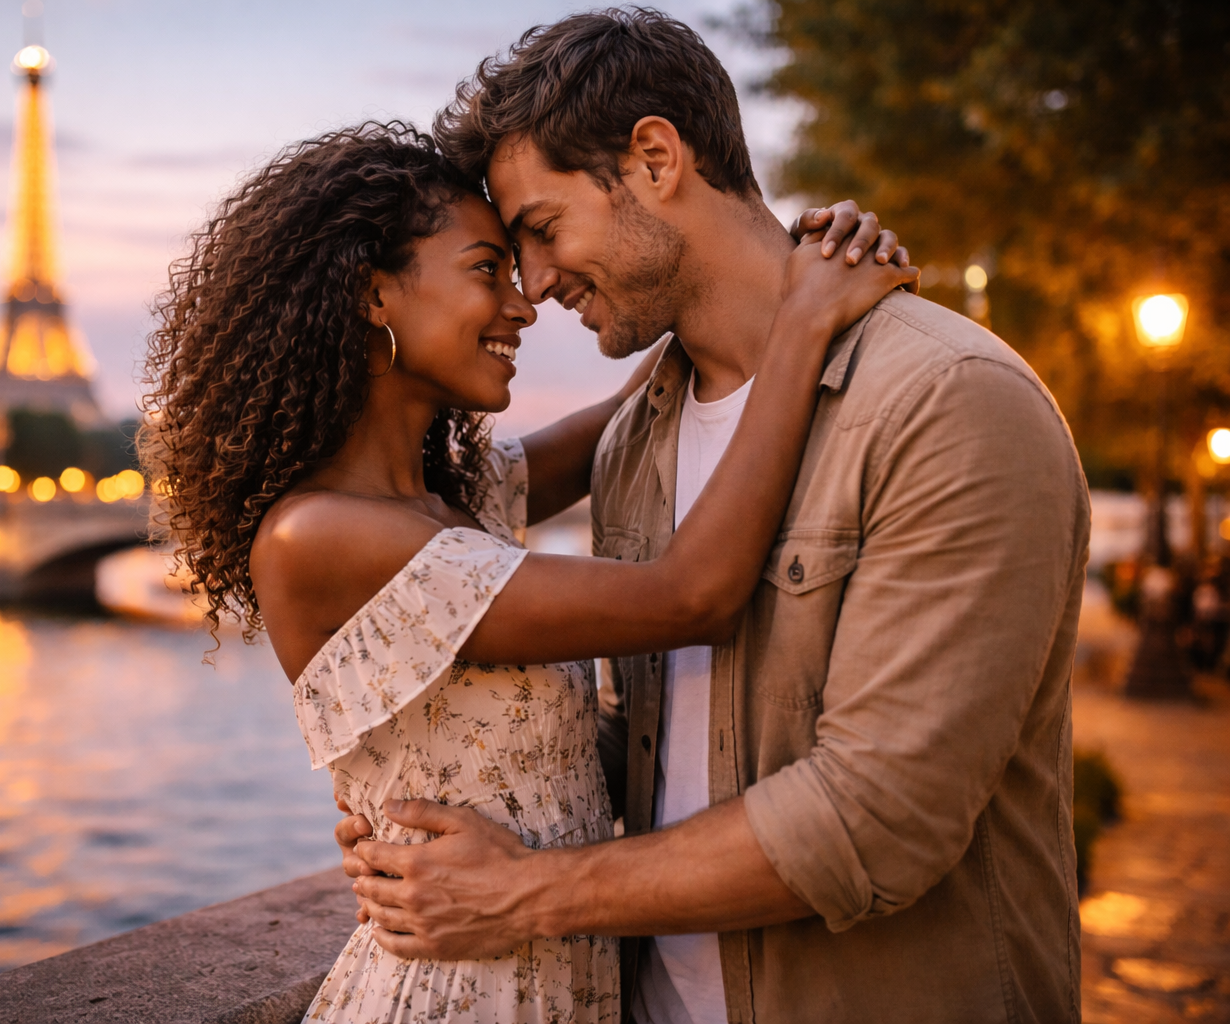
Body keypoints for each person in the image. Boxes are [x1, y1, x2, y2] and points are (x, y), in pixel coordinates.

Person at [338, 10, 1090, 1024]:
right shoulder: (633, 443)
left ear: (654, 159)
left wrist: (526, 892)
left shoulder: (947, 401)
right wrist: (435, 809)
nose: (537, 284)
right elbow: (656, 742)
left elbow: (878, 819)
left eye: (543, 231)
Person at [140, 119, 913, 1023]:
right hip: (455, 998)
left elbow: (657, 383)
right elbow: (692, 595)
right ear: (373, 292)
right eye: (485, 271)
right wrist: (808, 319)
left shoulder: (459, 497)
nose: (523, 304)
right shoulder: (317, 538)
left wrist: (764, 266)